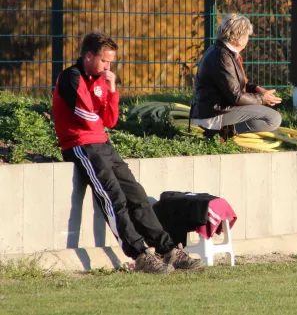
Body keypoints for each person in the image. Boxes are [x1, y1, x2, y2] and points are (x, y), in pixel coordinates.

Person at [52, 30, 204, 273]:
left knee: (137, 195)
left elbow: (109, 120)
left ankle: (168, 249)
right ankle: (140, 254)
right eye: (104, 60)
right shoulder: (71, 77)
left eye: (111, 61)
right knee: (114, 199)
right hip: (81, 145)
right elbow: (85, 117)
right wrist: (97, 119)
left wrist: (112, 89)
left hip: (102, 143)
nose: (108, 66)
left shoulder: (102, 79)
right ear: (89, 56)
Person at [190, 14, 282, 138]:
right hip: (213, 114)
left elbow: (235, 84)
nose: (248, 40)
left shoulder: (224, 52)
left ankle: (224, 131)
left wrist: (256, 89)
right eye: (247, 36)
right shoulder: (223, 57)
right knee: (273, 118)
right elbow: (236, 97)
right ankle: (221, 134)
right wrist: (262, 99)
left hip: (215, 109)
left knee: (268, 115)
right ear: (239, 37)